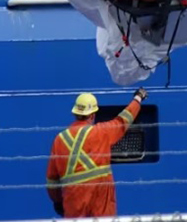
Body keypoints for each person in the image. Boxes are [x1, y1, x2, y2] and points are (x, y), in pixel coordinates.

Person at [46, 88, 147, 218]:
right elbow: (123, 120)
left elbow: (52, 181)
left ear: (75, 113)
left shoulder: (59, 140)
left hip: (74, 207)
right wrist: (138, 99)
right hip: (101, 207)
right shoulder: (101, 132)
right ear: (93, 115)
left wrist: (57, 201)